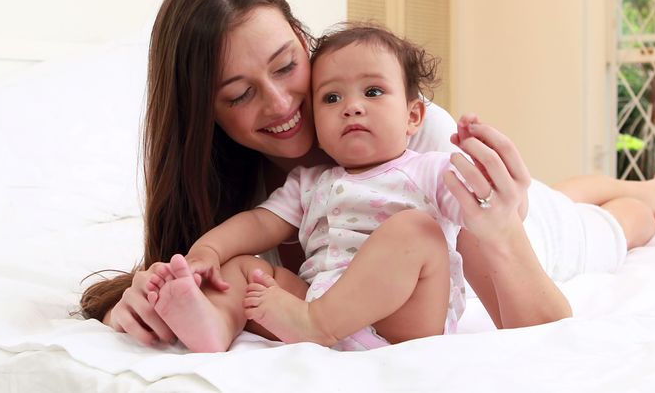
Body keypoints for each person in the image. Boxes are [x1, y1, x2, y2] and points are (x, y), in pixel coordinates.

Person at [79, 0, 655, 349]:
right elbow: (203, 260)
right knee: (571, 191)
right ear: (203, 116)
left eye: (288, 65)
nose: (281, 101)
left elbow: (544, 330)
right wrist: (146, 294)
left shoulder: (411, 141)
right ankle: (636, 189)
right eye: (239, 94)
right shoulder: (246, 186)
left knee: (606, 221)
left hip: (524, 241)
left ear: (303, 39)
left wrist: (506, 225)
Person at [145, 24, 474, 351]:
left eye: (373, 92)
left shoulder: (430, 168)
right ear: (315, 121)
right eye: (332, 98)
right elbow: (260, 222)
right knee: (246, 269)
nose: (352, 106)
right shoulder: (310, 182)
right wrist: (208, 252)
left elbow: (479, 212)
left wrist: (490, 183)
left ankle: (318, 324)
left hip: (402, 317)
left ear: (413, 116)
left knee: (415, 231)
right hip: (313, 302)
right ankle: (214, 324)